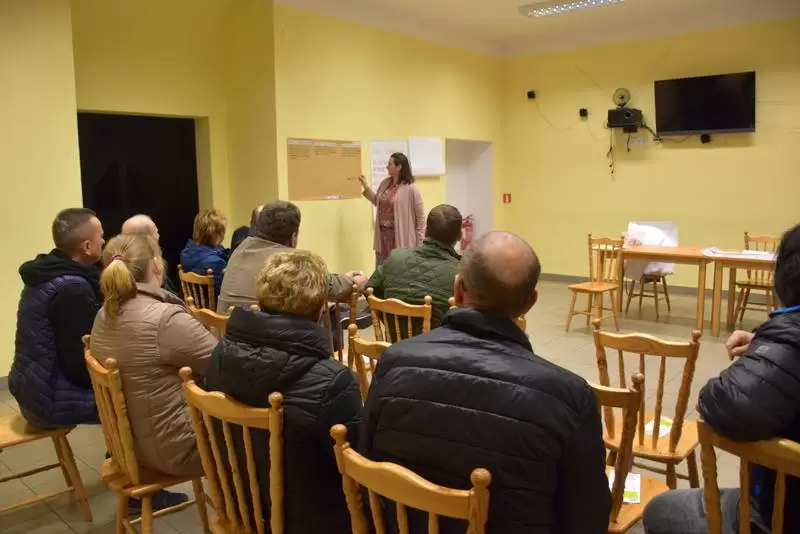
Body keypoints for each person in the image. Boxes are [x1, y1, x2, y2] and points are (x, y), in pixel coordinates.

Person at [359, 231, 611, 533]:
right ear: (530, 302)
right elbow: (588, 518)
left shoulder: (393, 362)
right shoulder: (569, 397)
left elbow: (365, 464)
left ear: (458, 289)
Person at [643, 223, 800, 534]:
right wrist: (764, 342)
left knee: (659, 510)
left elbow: (725, 405)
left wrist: (774, 344)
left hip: (780, 514)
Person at [205, 250, 362, 534]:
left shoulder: (221, 354)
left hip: (240, 508)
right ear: (319, 310)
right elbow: (358, 466)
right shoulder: (332, 381)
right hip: (308, 521)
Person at [90, 233, 218, 511]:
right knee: (261, 430)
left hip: (127, 449)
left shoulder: (103, 314)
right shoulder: (164, 319)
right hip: (175, 452)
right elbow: (225, 365)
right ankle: (248, 516)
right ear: (157, 266)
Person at [9, 208, 105, 428]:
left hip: (31, 390)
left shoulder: (47, 272)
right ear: (87, 246)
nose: (104, 241)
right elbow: (80, 363)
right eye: (100, 236)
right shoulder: (72, 288)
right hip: (48, 401)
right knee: (139, 400)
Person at [217, 200, 366, 313]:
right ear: (293, 237)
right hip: (263, 339)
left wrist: (341, 278)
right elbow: (327, 285)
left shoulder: (241, 248)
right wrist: (354, 281)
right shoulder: (286, 259)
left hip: (226, 336)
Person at [367, 204, 462, 332]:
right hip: (438, 343)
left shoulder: (395, 257)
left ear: (426, 231)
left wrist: (390, 322)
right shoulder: (460, 272)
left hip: (395, 343)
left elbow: (370, 290)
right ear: (460, 235)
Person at [358, 152, 425, 265]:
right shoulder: (385, 184)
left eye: (390, 164)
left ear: (399, 167)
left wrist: (419, 245)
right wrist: (366, 187)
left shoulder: (411, 189)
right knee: (382, 269)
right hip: (383, 237)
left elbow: (421, 219)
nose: (387, 167)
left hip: (400, 237)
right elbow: (378, 202)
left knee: (398, 268)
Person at [121, 214, 180, 296]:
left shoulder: (117, 264)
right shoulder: (152, 267)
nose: (158, 236)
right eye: (156, 232)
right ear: (148, 239)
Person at [179, 209, 230, 298]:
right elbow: (225, 293)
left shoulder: (186, 253)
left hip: (193, 303)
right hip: (214, 305)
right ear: (215, 233)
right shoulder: (215, 262)